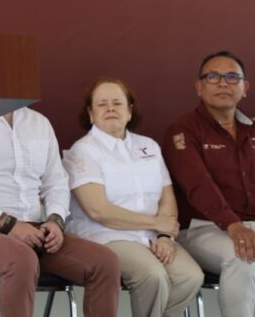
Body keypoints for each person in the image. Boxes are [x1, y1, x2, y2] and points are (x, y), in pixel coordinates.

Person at [62, 78, 203, 317]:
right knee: (153, 276)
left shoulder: (149, 146)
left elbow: (166, 198)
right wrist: (156, 223)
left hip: (153, 236)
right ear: (90, 114)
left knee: (190, 277)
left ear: (129, 111)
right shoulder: (83, 151)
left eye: (117, 103)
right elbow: (99, 211)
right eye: (102, 104)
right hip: (107, 236)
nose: (110, 109)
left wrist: (165, 236)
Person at [0, 106, 121, 317]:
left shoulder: (39, 123)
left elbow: (56, 182)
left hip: (35, 230)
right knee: (20, 260)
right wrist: (9, 225)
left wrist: (55, 220)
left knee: (105, 263)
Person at [162, 51, 255, 316]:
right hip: (203, 230)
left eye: (232, 77)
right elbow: (198, 185)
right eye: (213, 77)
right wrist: (233, 225)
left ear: (245, 87)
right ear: (199, 87)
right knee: (242, 256)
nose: (223, 83)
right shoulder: (183, 130)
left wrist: (243, 229)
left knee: (247, 249)